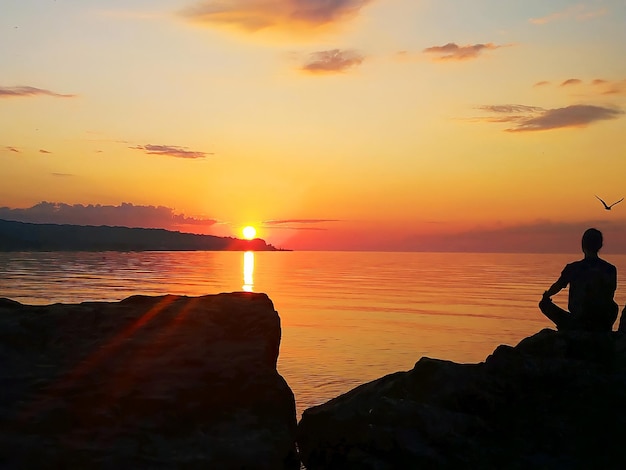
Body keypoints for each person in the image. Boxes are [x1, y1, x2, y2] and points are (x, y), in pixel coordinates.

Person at [539, 228, 618, 331]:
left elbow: (557, 286)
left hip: (578, 321)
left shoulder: (573, 268)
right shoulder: (610, 269)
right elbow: (610, 293)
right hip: (602, 320)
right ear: (600, 246)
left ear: (582, 245)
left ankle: (570, 328)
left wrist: (547, 295)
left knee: (544, 304)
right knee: (614, 306)